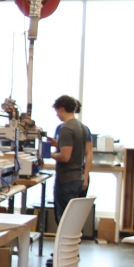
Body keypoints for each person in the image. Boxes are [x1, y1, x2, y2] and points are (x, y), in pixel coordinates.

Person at [45, 95, 91, 223]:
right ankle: (70, 243)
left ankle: (63, 244)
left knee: (64, 221)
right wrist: (58, 144)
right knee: (72, 221)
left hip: (66, 180)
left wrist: (48, 154)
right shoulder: (81, 127)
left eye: (56, 111)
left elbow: (65, 157)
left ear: (62, 109)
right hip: (77, 178)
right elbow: (76, 149)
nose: (56, 115)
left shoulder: (66, 128)